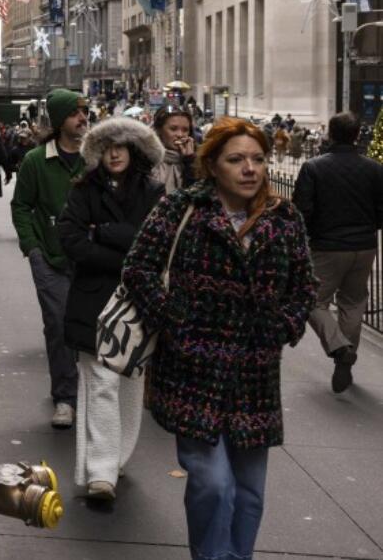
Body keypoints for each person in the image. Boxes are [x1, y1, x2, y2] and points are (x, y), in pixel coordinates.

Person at [121, 118, 317, 560]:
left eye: (258, 159)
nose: (250, 169)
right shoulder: (181, 210)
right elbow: (138, 269)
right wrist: (174, 320)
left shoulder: (283, 218)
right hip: (193, 370)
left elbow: (305, 288)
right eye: (236, 159)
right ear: (212, 165)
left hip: (255, 375)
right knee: (213, 484)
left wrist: (284, 325)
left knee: (248, 492)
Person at [57, 118, 164, 500]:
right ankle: (102, 473)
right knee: (101, 382)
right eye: (107, 147)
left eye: (121, 146)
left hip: (138, 301)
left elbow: (155, 244)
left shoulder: (154, 191)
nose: (115, 153)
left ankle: (115, 458)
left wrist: (101, 231)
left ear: (135, 151)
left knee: (130, 383)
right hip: (93, 299)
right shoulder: (83, 190)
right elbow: (70, 238)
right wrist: (126, 253)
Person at [11, 88, 89, 429]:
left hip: (92, 259)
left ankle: (91, 392)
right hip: (51, 258)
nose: (83, 118)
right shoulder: (35, 161)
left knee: (91, 328)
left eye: (84, 112)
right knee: (58, 325)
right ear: (59, 121)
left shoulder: (95, 159)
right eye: (75, 113)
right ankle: (65, 397)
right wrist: (33, 248)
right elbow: (21, 206)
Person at [293, 112, 383, 392]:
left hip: (327, 247)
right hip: (364, 246)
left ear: (331, 134)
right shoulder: (374, 169)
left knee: (312, 301)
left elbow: (301, 210)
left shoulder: (314, 167)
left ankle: (339, 347)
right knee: (354, 302)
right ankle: (345, 356)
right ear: (357, 135)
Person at [151, 104, 198, 194]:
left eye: (185, 130)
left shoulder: (197, 161)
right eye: (173, 129)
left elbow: (195, 195)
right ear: (159, 130)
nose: (180, 135)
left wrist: (189, 161)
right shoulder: (146, 159)